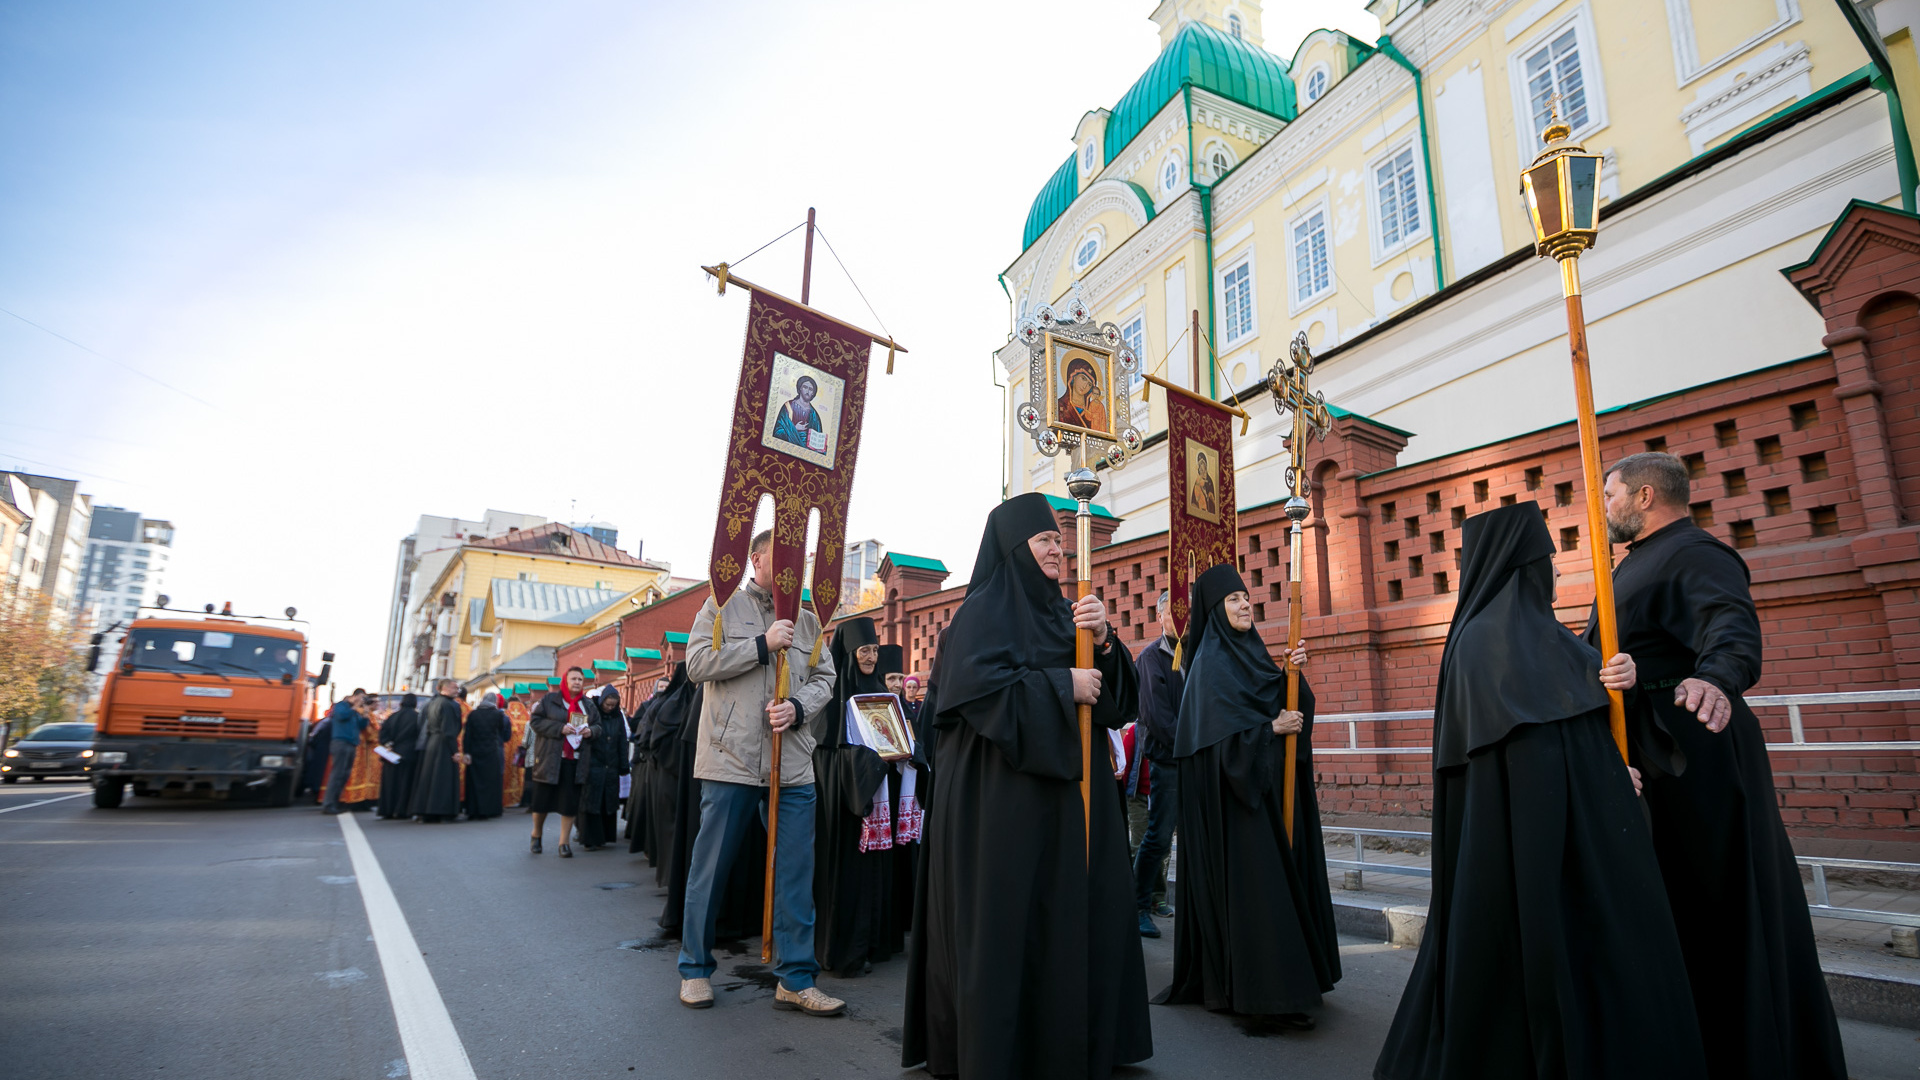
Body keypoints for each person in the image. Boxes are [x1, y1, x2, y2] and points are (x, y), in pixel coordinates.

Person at [1375, 501, 1707, 1080]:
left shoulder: (1549, 638)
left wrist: (1622, 688)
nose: (1554, 573)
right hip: (1532, 854)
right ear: (1523, 563)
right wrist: (1604, 778)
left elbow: (1588, 733)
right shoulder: (1485, 646)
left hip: (1585, 841)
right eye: (1548, 560)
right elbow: (1531, 769)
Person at [1592, 452, 1846, 1080]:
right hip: (1657, 760)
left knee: (1718, 908)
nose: (1601, 507)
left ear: (1645, 496)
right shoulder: (1629, 565)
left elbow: (1729, 624)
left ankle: (1746, 1052)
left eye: (1608, 494)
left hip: (1696, 756)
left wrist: (1717, 678)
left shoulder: (1694, 552)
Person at [902, 492, 1149, 1079]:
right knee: (1011, 922)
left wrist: (1107, 642)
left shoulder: (1067, 615)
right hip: (1001, 803)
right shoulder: (979, 614)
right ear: (1015, 547)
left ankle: (1074, 1037)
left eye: (1059, 543)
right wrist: (1062, 685)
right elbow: (980, 696)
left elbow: (1119, 705)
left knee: (1066, 919)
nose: (1058, 552)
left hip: (1069, 798)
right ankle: (1003, 1047)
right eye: (1045, 542)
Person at [1151, 564, 1337, 1024]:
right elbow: (1212, 751)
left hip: (1265, 798)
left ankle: (1294, 981)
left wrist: (1294, 679)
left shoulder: (1254, 657)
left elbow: (1289, 706)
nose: (1244, 605)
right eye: (1233, 600)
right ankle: (1265, 996)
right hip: (1235, 812)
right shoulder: (1209, 669)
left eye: (1246, 598)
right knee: (1259, 898)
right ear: (1214, 611)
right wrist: (1268, 729)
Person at [677, 528, 843, 1017]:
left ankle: (796, 977)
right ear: (757, 558)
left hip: (791, 763)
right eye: (783, 555)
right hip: (730, 757)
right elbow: (696, 663)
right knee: (711, 869)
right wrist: (760, 644)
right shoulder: (720, 605)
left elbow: (826, 678)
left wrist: (797, 706)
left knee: (795, 873)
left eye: (801, 557)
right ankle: (694, 969)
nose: (794, 564)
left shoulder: (809, 621)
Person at [813, 617, 897, 978]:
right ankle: (842, 952)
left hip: (874, 797)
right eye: (865, 650)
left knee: (874, 875)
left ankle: (870, 946)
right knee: (845, 876)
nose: (871, 657)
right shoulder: (831, 698)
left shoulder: (880, 692)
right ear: (849, 654)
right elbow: (826, 755)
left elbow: (896, 741)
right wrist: (869, 760)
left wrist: (907, 752)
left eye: (875, 651)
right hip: (843, 808)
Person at [1131, 590, 1182, 935]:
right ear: (1161, 617)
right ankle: (1137, 906)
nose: (1183, 619)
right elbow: (1160, 720)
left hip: (1198, 758)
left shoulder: (1198, 653)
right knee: (1159, 836)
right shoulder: (1151, 658)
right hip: (1169, 760)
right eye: (1175, 613)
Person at [527, 667, 596, 856]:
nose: (577, 682)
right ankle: (536, 834)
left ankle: (563, 843)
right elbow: (535, 722)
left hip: (574, 761)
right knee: (541, 802)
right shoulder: (550, 700)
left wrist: (591, 731)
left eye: (580, 680)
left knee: (569, 804)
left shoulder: (587, 705)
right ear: (565, 680)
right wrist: (559, 728)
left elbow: (598, 725)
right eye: (573, 678)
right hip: (549, 759)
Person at [579, 687, 629, 850]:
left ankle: (605, 836)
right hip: (594, 763)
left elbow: (622, 741)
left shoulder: (618, 717)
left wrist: (623, 765)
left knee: (607, 802)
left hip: (611, 765)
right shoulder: (593, 712)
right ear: (602, 701)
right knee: (592, 801)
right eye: (607, 704)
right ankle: (590, 839)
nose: (609, 708)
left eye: (613, 705)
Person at [409, 681, 466, 823]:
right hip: (444, 744)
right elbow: (449, 729)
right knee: (442, 779)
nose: (457, 691)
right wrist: (455, 750)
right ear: (445, 689)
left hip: (432, 742)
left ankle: (427, 811)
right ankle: (442, 811)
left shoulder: (432, 703)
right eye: (454, 688)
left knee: (430, 778)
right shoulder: (450, 705)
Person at [463, 692, 511, 821]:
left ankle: (473, 810)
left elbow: (467, 735)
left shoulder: (473, 714)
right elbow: (503, 735)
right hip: (492, 752)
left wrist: (466, 752)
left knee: (474, 782)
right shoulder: (498, 715)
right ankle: (488, 810)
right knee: (490, 782)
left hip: (475, 752)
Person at [320, 689, 369, 815]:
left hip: (352, 744)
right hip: (341, 742)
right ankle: (328, 804)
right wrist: (355, 707)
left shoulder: (355, 711)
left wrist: (365, 713)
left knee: (344, 775)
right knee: (337, 774)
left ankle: (336, 802)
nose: (361, 701)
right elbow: (341, 716)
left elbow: (361, 725)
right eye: (361, 697)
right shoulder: (341, 706)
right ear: (355, 696)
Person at [376, 693, 422, 819]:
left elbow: (382, 734)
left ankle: (387, 810)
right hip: (409, 755)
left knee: (390, 784)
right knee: (405, 784)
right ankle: (402, 810)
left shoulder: (392, 717)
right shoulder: (417, 717)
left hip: (391, 754)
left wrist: (387, 744)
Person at [298, 710, 332, 800]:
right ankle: (315, 790)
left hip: (321, 748)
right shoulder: (327, 722)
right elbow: (314, 735)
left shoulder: (326, 721)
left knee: (317, 769)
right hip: (322, 749)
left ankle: (313, 789)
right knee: (318, 770)